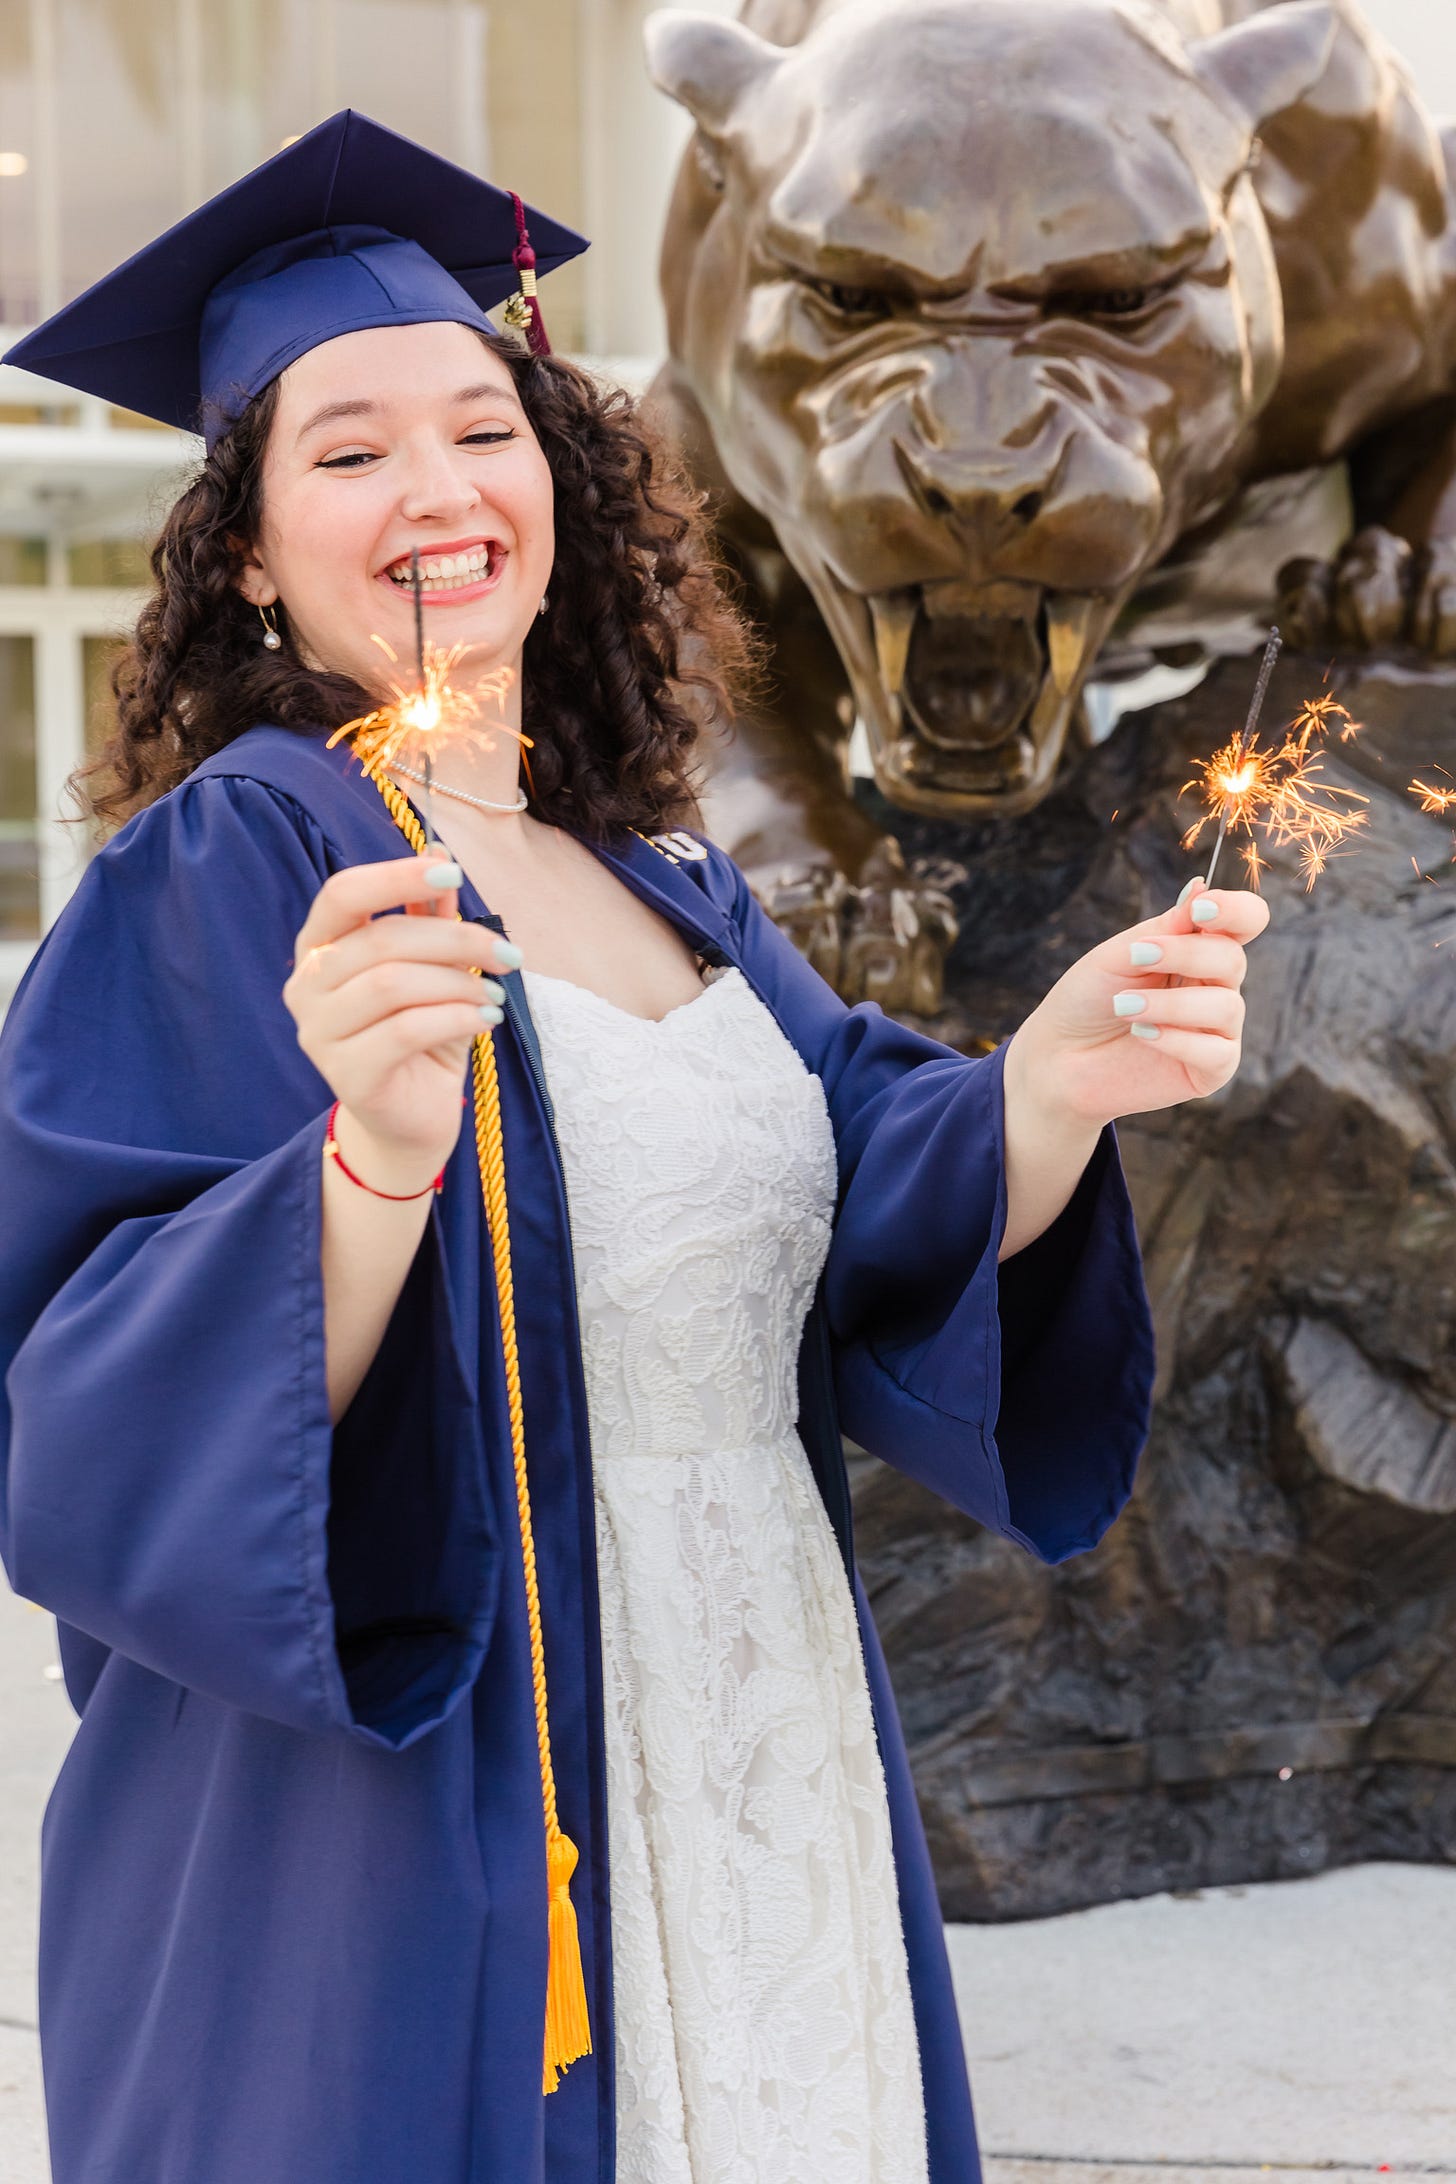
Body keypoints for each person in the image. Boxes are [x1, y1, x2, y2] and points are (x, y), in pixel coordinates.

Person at [0, 110, 1260, 2184]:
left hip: (744, 1717)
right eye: (347, 451)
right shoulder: (242, 860)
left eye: (482, 428)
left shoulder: (666, 879)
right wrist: (371, 1168)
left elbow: (862, 1193)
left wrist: (1047, 1086)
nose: (436, 493)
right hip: (449, 1791)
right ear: (245, 545)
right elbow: (88, 1396)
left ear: (560, 479)